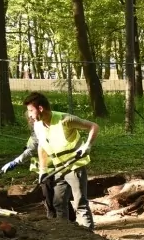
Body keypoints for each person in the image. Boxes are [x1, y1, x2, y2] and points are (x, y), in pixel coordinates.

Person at [23, 92, 99, 230]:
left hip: (74, 167)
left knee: (80, 204)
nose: (29, 115)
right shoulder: (38, 125)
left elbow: (94, 126)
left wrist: (87, 145)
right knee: (58, 203)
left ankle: (89, 236)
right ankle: (64, 233)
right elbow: (42, 147)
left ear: (40, 108)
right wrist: (43, 170)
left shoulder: (65, 120)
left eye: (30, 110)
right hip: (59, 169)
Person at [0, 130, 76, 221]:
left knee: (52, 200)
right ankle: (69, 220)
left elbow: (31, 150)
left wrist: (15, 162)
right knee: (59, 199)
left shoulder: (41, 130)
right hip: (49, 171)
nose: (32, 120)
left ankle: (58, 223)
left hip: (49, 172)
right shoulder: (43, 129)